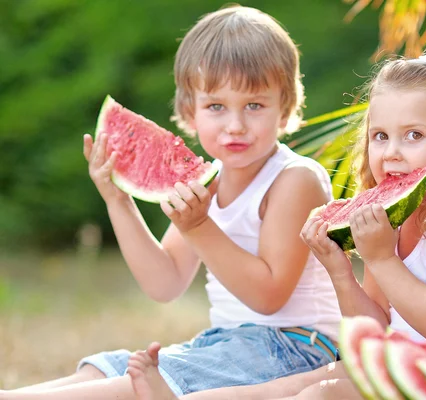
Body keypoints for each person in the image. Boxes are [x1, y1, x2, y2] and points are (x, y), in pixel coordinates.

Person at [124, 52, 426, 400]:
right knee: (306, 380)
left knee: (323, 393)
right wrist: (339, 269)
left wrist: (379, 257)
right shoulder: (392, 221)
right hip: (413, 375)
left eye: (413, 135)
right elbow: (375, 329)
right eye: (380, 136)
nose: (392, 152)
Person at [0, 5, 342, 400]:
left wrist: (198, 226)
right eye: (216, 106)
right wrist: (118, 201)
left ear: (284, 109)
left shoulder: (295, 179)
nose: (235, 125)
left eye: (254, 105)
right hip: (229, 342)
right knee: (101, 368)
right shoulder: (208, 179)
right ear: (188, 111)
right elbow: (164, 283)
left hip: (299, 348)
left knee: (146, 384)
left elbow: (268, 296)